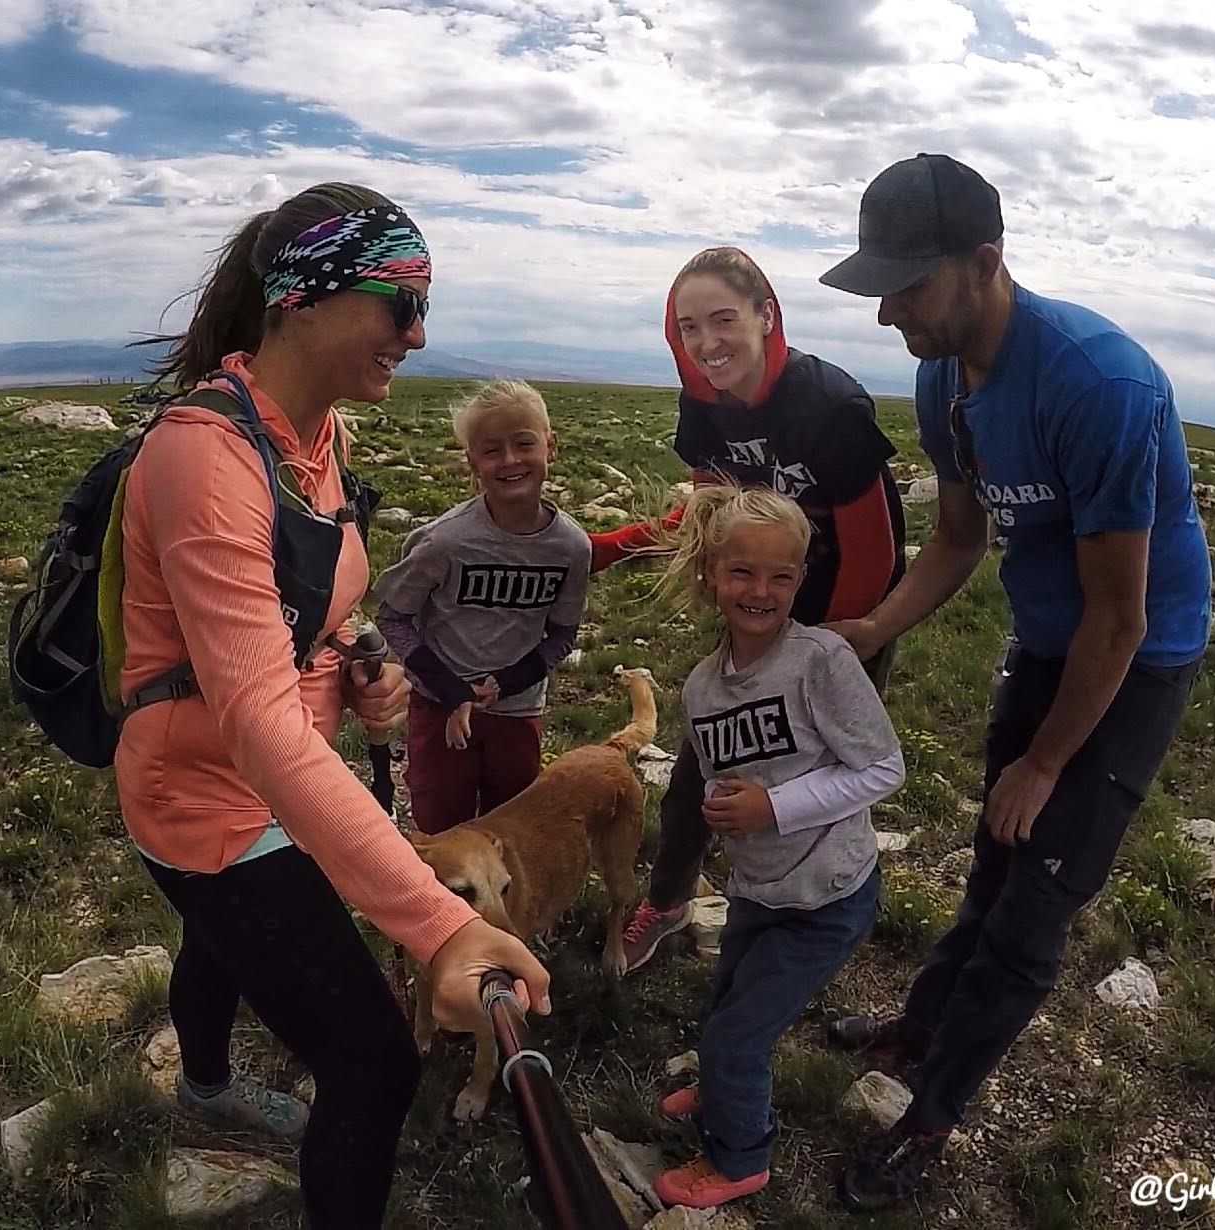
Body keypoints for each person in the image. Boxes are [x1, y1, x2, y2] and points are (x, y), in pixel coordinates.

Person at [118, 183, 550, 1229]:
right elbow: (257, 720)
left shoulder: (316, 444)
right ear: (302, 298)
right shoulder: (202, 457)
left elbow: (305, 606)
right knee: (371, 1061)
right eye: (397, 299)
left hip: (269, 782)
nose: (416, 330)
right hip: (209, 803)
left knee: (217, 941)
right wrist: (440, 927)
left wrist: (359, 658)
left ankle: (208, 1086)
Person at [815, 153, 1211, 1209]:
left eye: (909, 284)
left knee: (1033, 913)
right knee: (994, 852)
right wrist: (875, 626)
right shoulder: (944, 374)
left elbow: (1121, 618)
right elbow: (956, 536)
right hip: (1049, 641)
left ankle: (933, 1115)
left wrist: (1047, 761)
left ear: (985, 261)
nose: (889, 310)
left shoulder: (1099, 383)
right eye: (880, 286)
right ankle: (925, 1020)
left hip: (1134, 659)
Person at [591, 246, 907, 974]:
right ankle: (668, 905)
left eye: (723, 319)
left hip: (845, 624)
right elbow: (710, 519)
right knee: (705, 769)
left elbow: (874, 556)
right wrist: (607, 546)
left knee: (817, 775)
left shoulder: (829, 407)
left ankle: (812, 924)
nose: (707, 343)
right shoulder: (703, 412)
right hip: (757, 608)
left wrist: (813, 654)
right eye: (688, 327)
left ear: (766, 316)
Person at [642, 485, 903, 1210]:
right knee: (724, 1003)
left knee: (736, 1034)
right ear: (709, 577)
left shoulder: (819, 660)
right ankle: (726, 1085)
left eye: (780, 577)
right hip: (759, 886)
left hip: (827, 894)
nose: (760, 591)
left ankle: (738, 1157)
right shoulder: (701, 687)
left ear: (799, 580)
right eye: (742, 573)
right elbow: (727, 774)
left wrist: (773, 806)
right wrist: (723, 806)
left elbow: (883, 768)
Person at [371, 379, 589, 834]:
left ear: (551, 447)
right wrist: (453, 692)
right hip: (439, 709)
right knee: (440, 826)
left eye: (523, 444)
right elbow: (393, 616)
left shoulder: (571, 547)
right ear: (473, 463)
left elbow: (563, 633)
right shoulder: (445, 541)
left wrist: (505, 684)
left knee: (510, 830)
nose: (509, 460)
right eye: (491, 451)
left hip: (517, 710)